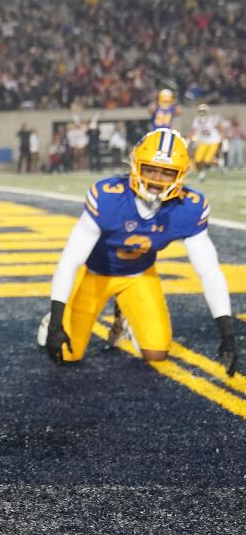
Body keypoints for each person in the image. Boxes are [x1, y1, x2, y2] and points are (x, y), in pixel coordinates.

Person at [38, 128, 237, 377]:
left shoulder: (189, 207)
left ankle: (124, 314)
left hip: (139, 274)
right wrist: (57, 320)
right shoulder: (109, 197)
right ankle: (53, 317)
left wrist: (226, 330)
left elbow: (208, 271)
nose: (156, 180)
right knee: (67, 354)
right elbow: (70, 260)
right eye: (150, 169)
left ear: (181, 175)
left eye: (167, 173)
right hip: (95, 274)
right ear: (135, 166)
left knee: (157, 352)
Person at [189, 103, 222, 182]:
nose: (202, 113)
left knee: (207, 160)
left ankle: (219, 163)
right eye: (201, 111)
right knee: (197, 160)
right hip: (202, 141)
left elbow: (220, 127)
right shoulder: (197, 120)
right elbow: (193, 130)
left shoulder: (212, 119)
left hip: (213, 141)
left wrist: (222, 137)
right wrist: (189, 138)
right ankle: (201, 174)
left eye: (204, 111)